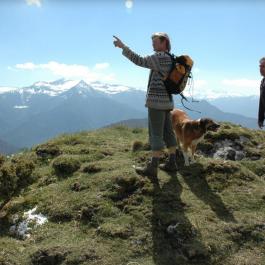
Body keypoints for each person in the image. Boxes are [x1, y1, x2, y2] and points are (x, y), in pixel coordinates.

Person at [113, 33, 177, 178]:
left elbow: (139, 60)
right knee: (168, 132)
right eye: (152, 42)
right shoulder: (171, 58)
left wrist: (123, 47)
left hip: (156, 102)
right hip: (167, 102)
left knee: (155, 133)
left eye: (155, 42)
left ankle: (152, 168)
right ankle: (172, 162)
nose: (153, 45)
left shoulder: (159, 57)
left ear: (164, 42)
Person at [258, 57, 265, 129]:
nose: (260, 68)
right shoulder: (263, 82)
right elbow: (262, 102)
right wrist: (260, 119)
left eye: (263, 66)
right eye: (260, 66)